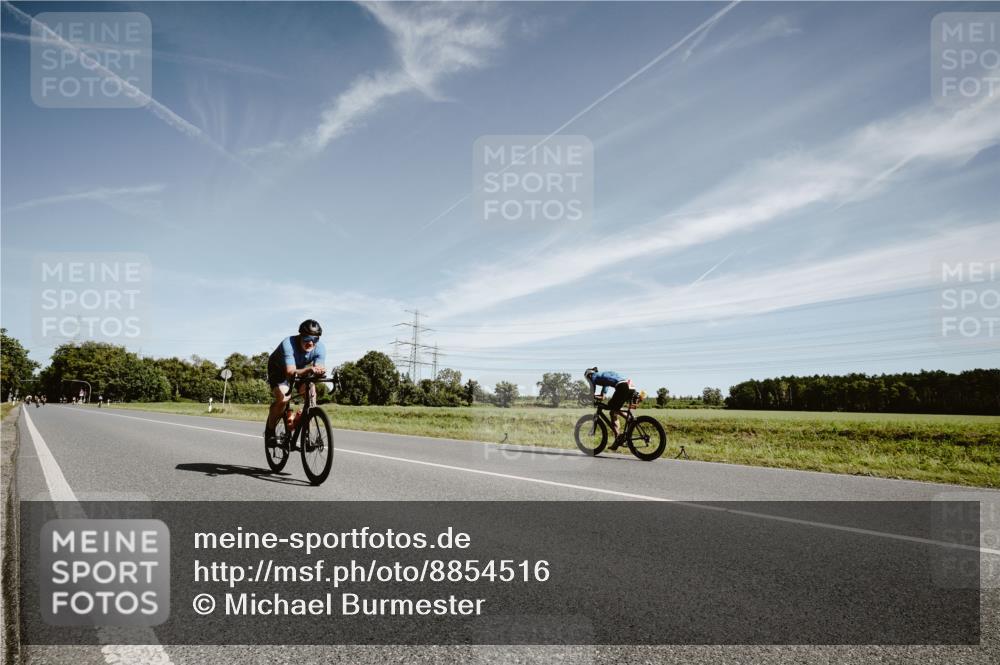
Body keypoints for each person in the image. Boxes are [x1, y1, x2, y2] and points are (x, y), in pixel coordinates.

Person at [264, 319, 327, 446]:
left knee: (311, 393)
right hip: (279, 370)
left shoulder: (320, 348)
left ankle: (306, 435)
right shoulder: (288, 344)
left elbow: (316, 374)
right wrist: (309, 369)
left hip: (300, 369)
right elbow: (290, 372)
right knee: (284, 398)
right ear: (300, 336)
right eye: (307, 339)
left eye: (315, 339)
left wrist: (320, 374)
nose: (310, 343)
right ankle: (270, 432)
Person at [584, 367, 635, 439]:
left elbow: (592, 390)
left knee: (612, 411)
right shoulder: (604, 377)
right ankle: (630, 420)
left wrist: (587, 397)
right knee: (614, 409)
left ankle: (618, 435)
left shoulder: (594, 376)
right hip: (628, 385)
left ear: (589, 375)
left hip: (622, 386)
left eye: (588, 379)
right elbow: (602, 397)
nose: (589, 381)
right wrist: (595, 397)